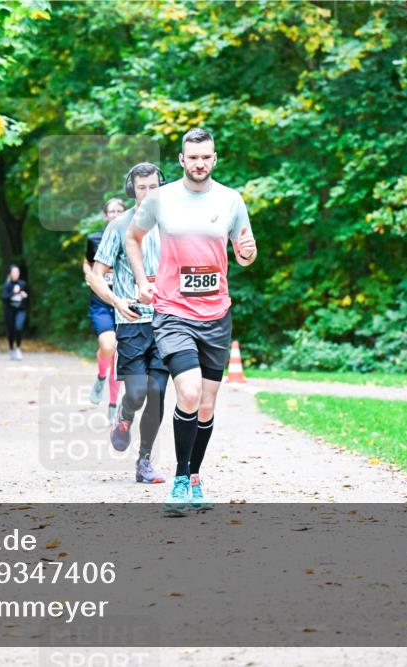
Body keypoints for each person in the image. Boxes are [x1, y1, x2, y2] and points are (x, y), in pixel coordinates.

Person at [126, 128, 258, 515]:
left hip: (216, 314)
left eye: (206, 157)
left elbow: (245, 255)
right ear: (182, 160)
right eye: (193, 157)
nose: (199, 163)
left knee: (206, 404)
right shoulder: (161, 199)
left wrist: (248, 252)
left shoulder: (231, 200)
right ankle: (180, 479)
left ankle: (195, 477)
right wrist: (140, 280)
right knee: (188, 392)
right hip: (173, 312)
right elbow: (133, 237)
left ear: (214, 159)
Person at [88, 162, 168, 484]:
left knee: (157, 393)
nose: (148, 193)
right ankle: (124, 414)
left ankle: (144, 461)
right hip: (132, 323)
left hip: (167, 322)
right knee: (136, 393)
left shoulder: (173, 223)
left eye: (153, 187)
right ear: (131, 189)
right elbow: (96, 276)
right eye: (141, 188)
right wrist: (117, 301)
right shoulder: (119, 226)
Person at [84, 198, 126, 422]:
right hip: (101, 302)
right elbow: (87, 262)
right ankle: (101, 376)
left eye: (120, 210)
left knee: (118, 355)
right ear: (105, 216)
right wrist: (89, 275)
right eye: (112, 211)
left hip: (125, 303)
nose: (116, 214)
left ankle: (113, 404)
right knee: (108, 346)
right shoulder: (94, 239)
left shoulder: (132, 238)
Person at [0, 264, 28, 360]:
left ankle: (18, 348)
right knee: (11, 330)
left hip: (21, 310)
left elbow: (28, 297)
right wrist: (13, 293)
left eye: (17, 272)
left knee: (19, 327)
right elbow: (4, 297)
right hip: (10, 311)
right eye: (14, 272)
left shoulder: (23, 284)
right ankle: (11, 348)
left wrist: (24, 295)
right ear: (10, 274)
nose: (16, 274)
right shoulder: (7, 285)